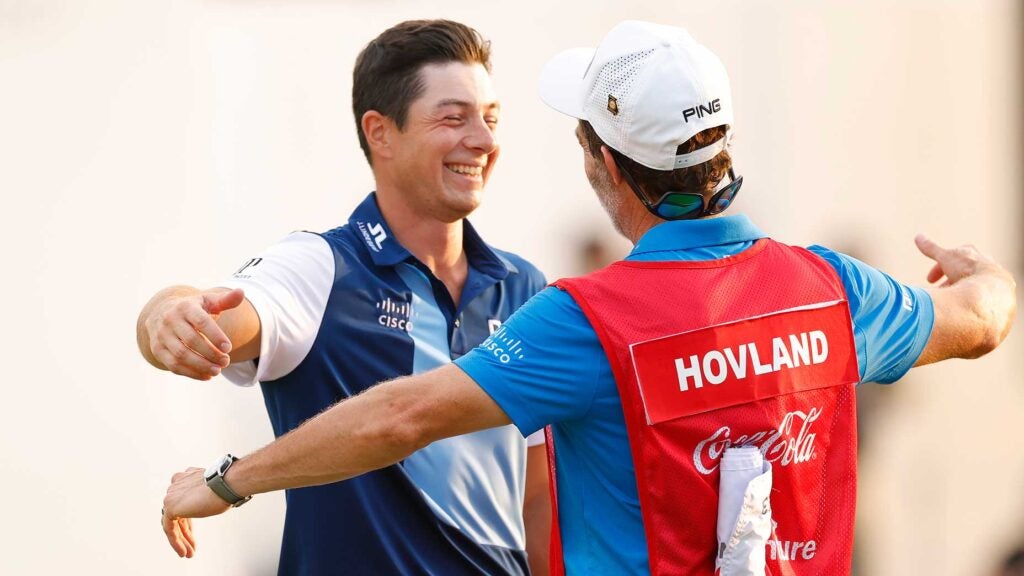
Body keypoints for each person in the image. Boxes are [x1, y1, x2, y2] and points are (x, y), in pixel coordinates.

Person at [159, 20, 1017, 575]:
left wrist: (228, 482)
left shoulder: (589, 319)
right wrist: (988, 273)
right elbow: (980, 321)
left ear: (608, 168)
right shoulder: (834, 289)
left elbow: (400, 420)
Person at [138, 19, 550, 576]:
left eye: (490, 118)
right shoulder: (321, 265)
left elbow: (539, 499)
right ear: (380, 133)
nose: (482, 140)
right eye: (454, 117)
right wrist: (166, 311)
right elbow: (220, 312)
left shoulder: (527, 287)